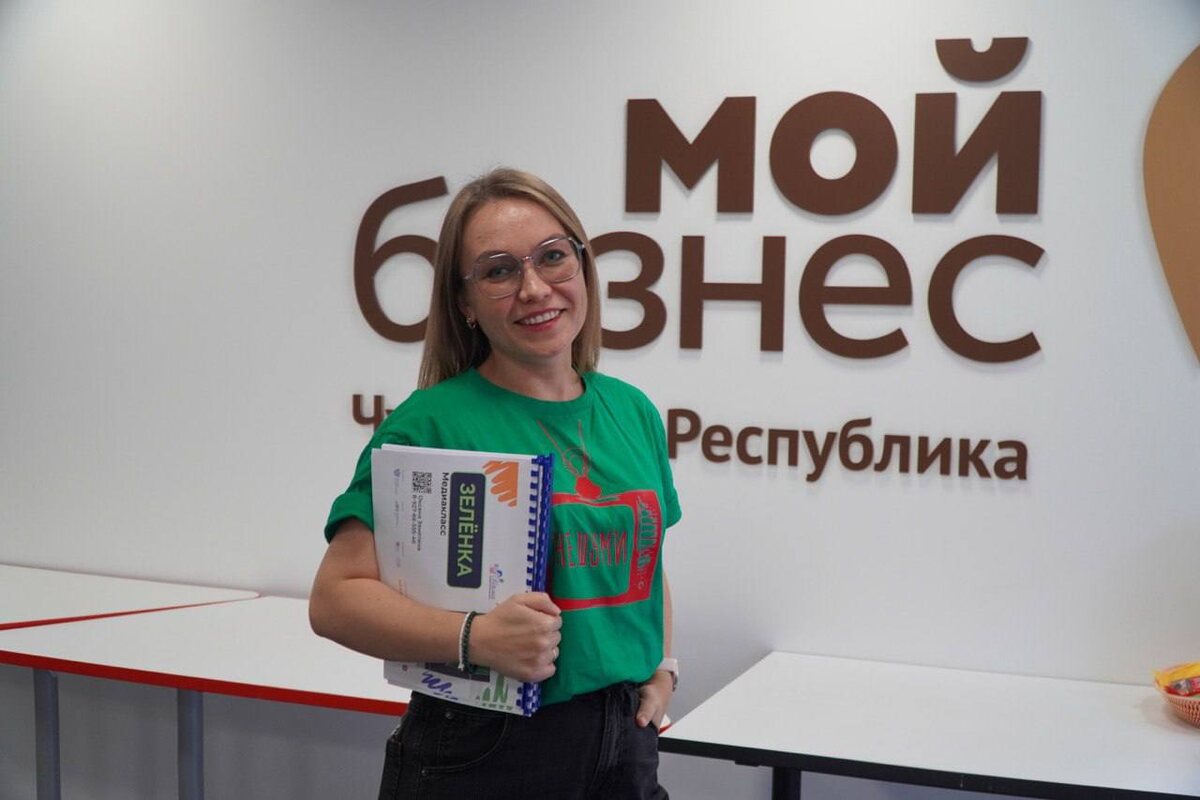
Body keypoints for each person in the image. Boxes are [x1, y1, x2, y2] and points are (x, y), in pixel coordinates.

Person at [310, 167, 681, 799]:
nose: (534, 289)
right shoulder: (430, 424)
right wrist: (475, 637)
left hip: (625, 743)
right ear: (465, 303)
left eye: (553, 257)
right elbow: (334, 600)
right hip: (487, 747)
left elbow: (648, 563)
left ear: (583, 266)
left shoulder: (633, 410)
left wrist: (664, 667)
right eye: (499, 271)